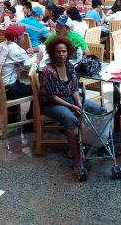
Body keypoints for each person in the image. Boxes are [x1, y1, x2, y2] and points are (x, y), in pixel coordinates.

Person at [40, 36, 106, 180]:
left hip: (69, 98)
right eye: (58, 52)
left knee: (100, 111)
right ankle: (77, 162)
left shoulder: (70, 66)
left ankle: (92, 146)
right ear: (52, 52)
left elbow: (74, 88)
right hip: (52, 104)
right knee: (72, 121)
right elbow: (52, 97)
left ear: (68, 52)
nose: (61, 54)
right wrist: (72, 106)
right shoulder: (48, 70)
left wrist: (79, 103)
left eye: (64, 51)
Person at [0, 25, 42, 120]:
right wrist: (38, 59)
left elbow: (11, 59)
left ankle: (12, 116)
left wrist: (24, 56)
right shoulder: (17, 50)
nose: (24, 37)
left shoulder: (1, 44)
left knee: (20, 83)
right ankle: (31, 119)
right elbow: (32, 69)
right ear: (15, 38)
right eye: (22, 35)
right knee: (39, 90)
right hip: (10, 90)